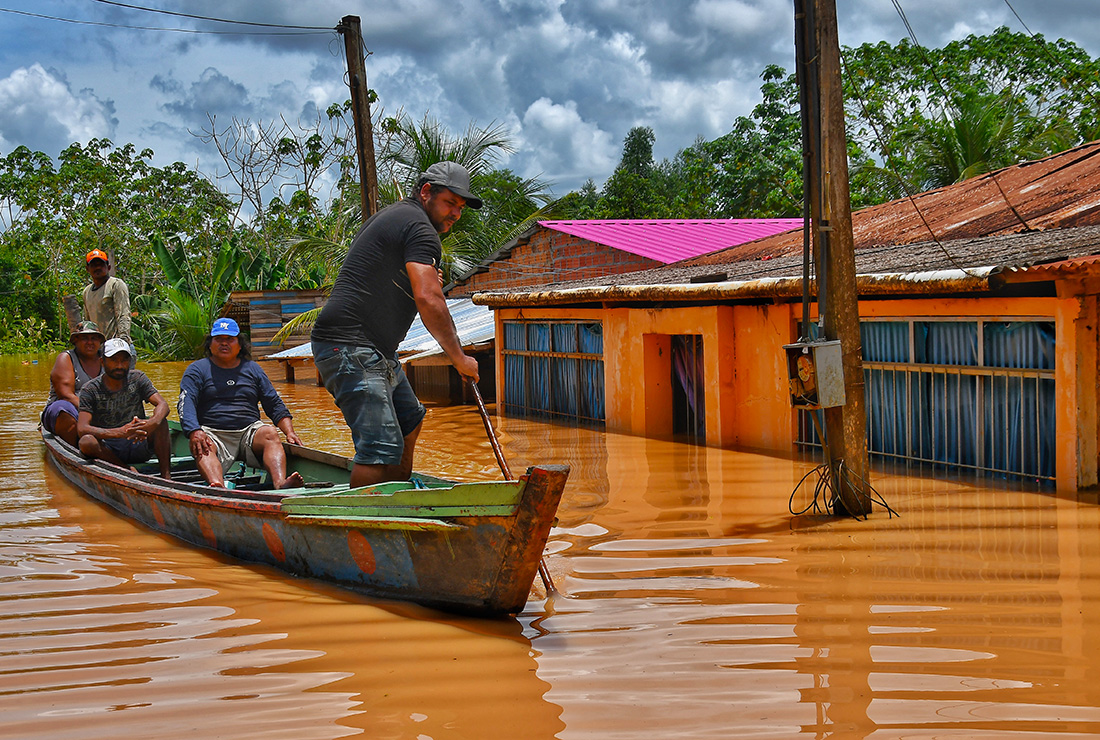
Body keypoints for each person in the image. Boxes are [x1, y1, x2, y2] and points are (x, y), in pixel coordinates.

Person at [310, 161, 482, 488]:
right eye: (450, 203)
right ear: (426, 192)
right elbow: (430, 299)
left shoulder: (401, 218)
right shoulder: (419, 227)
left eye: (460, 207)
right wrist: (459, 358)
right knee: (379, 447)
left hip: (375, 350)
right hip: (350, 346)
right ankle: (362, 530)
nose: (456, 214)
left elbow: (387, 274)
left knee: (410, 422)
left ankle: (398, 500)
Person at [178, 318, 304, 490]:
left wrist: (290, 432)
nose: (224, 343)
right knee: (202, 444)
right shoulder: (197, 370)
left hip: (248, 432)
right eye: (218, 339)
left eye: (229, 339)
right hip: (213, 433)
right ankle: (217, 486)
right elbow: (187, 403)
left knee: (269, 432)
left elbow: (273, 403)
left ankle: (280, 483)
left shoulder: (253, 369)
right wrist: (194, 431)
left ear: (239, 344)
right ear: (210, 344)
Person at [76, 338, 171, 479]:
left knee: (162, 422)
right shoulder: (90, 389)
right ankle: (125, 470)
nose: (119, 365)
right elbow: (82, 428)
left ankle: (166, 477)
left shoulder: (138, 378)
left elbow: (162, 404)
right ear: (102, 362)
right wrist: (120, 432)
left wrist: (151, 424)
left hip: (139, 441)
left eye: (124, 360)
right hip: (110, 449)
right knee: (86, 442)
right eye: (114, 360)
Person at [42, 320, 104, 446]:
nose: (90, 342)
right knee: (62, 409)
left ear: (100, 342)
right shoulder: (66, 358)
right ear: (75, 341)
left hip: (101, 410)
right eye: (84, 338)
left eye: (94, 338)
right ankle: (75, 448)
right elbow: (66, 395)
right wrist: (95, 413)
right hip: (73, 410)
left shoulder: (107, 359)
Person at [82, 248, 134, 364]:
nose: (97, 268)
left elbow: (123, 315)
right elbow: (87, 323)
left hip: (118, 347)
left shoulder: (116, 285)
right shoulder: (86, 292)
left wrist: (122, 346)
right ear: (87, 269)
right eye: (93, 265)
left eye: (101, 264)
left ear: (108, 267)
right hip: (99, 351)